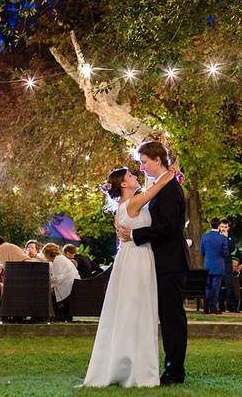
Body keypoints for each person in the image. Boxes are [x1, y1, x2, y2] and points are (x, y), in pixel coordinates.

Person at [89, 145, 184, 387]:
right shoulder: (145, 195)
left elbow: (171, 226)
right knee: (140, 311)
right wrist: (169, 173)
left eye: (143, 162)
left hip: (160, 261)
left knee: (165, 316)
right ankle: (137, 364)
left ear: (156, 159)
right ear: (122, 185)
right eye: (135, 169)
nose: (140, 168)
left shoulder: (167, 188)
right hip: (141, 261)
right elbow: (154, 192)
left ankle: (171, 370)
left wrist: (134, 234)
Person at [44, 242, 80, 321]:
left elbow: (58, 278)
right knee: (52, 294)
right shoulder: (59, 258)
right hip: (72, 286)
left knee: (50, 296)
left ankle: (56, 317)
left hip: (69, 288)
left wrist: (48, 284)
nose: (44, 256)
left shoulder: (58, 260)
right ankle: (56, 316)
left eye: (45, 254)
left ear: (48, 254)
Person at [200, 217, 229, 314]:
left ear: (210, 225)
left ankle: (206, 307)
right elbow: (225, 253)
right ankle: (213, 307)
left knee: (208, 287)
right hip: (218, 266)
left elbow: (202, 252)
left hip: (207, 265)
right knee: (216, 287)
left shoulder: (204, 236)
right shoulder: (222, 238)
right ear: (219, 225)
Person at [219, 220, 239, 312]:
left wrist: (226, 238)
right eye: (222, 226)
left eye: (225, 227)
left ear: (228, 228)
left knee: (229, 285)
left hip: (227, 264)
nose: (223, 229)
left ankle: (232, 306)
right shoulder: (216, 237)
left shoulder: (232, 238)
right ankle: (220, 305)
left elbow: (231, 248)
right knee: (219, 285)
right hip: (218, 263)